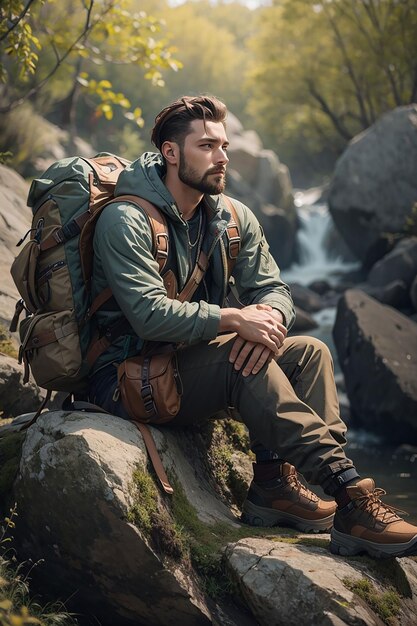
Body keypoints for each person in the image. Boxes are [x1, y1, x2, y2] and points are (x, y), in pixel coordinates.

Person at [89, 94, 417, 558]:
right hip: (126, 376)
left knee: (309, 352)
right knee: (239, 358)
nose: (222, 156)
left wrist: (272, 320)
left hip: (182, 361)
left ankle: (272, 484)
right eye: (207, 146)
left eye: (223, 145)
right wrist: (232, 318)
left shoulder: (231, 216)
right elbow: (147, 313)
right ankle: (350, 495)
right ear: (171, 153)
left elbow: (275, 289)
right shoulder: (126, 220)